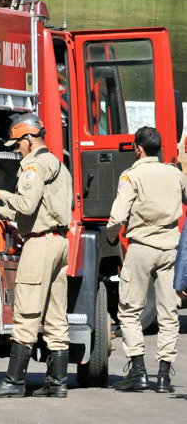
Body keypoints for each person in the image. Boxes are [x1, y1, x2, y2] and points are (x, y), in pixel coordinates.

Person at [0, 113, 73, 398]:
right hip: (59, 241)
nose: (15, 149)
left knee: (26, 313)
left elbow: (26, 202)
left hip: (39, 244)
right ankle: (58, 382)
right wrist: (3, 213)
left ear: (29, 138)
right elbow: (40, 208)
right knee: (57, 316)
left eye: (17, 144)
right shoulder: (58, 164)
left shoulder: (34, 165)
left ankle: (14, 380)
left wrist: (0, 195)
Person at [107, 126, 187, 393]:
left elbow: (118, 217)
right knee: (169, 313)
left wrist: (110, 236)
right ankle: (163, 376)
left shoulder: (131, 176)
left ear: (137, 148)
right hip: (170, 247)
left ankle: (138, 371)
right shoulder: (175, 174)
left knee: (129, 310)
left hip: (141, 247)